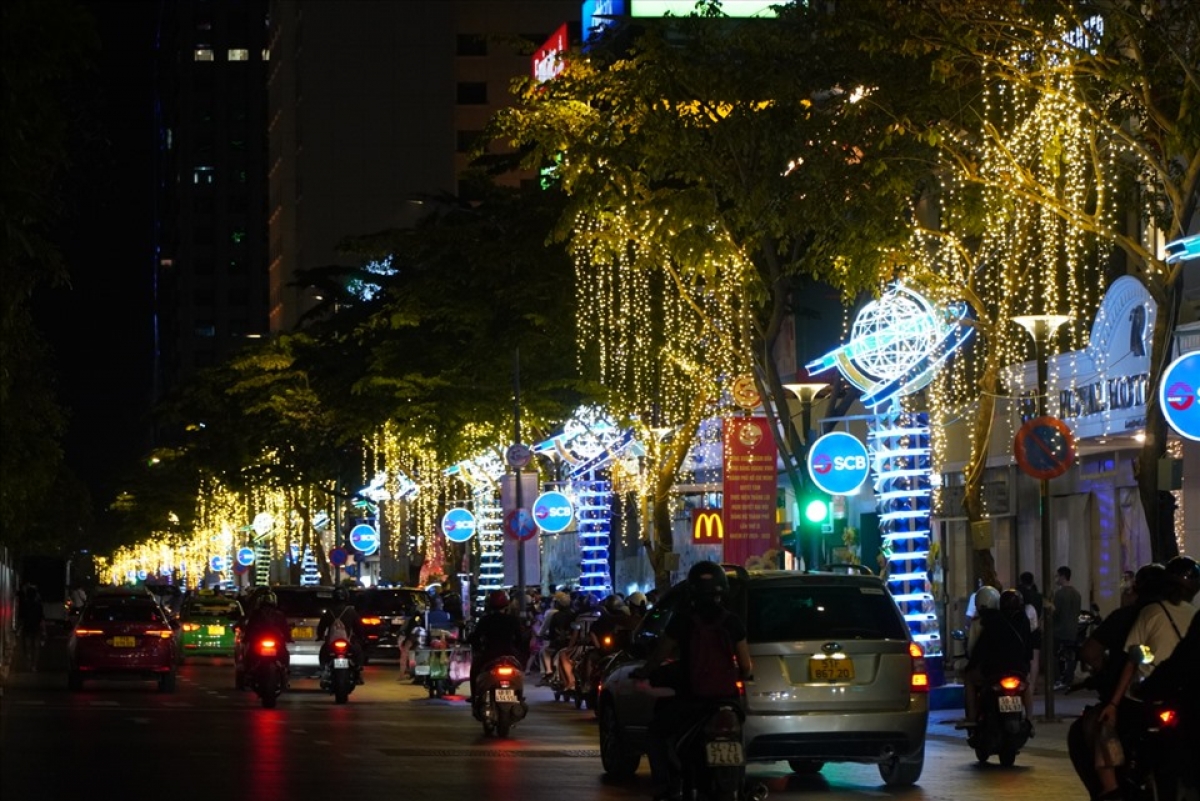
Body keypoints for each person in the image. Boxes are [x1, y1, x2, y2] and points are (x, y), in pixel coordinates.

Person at [634, 561, 753, 801]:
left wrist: (645, 672)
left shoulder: (682, 621)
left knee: (657, 734)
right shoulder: (732, 622)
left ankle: (670, 785)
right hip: (727, 701)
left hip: (692, 699)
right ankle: (742, 786)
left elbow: (660, 655)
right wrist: (744, 675)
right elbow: (746, 665)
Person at [1093, 557, 1198, 801]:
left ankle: (1112, 791)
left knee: (1109, 731)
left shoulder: (1150, 613)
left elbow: (1136, 657)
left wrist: (1114, 703)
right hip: (1186, 699)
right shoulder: (1195, 616)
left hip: (1155, 693)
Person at [1070, 563, 1166, 799]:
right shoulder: (1181, 617)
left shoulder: (1133, 617)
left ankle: (1110, 790)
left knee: (1098, 727)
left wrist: (1109, 681)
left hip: (1133, 699)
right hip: (1172, 695)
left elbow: (1094, 654)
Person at [963, 586, 1031, 724]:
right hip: (1019, 668)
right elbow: (1028, 649)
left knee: (969, 679)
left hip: (995, 669)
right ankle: (1030, 719)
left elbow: (979, 650)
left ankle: (971, 718)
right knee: (1026, 685)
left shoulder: (991, 622)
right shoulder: (1023, 621)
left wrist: (970, 666)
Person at [468, 589, 527, 701]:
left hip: (489, 654)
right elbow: (520, 639)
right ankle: (519, 694)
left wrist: (475, 644)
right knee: (520, 670)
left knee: (474, 669)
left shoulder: (485, 620)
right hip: (510, 653)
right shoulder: (513, 620)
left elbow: (475, 637)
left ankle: (474, 696)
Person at [317, 586, 366, 682]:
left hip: (332, 642)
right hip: (348, 641)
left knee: (323, 652)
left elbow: (321, 627)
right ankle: (358, 672)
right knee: (358, 651)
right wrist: (362, 637)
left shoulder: (329, 612)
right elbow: (359, 627)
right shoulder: (351, 611)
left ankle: (323, 669)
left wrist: (320, 636)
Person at [241, 590, 292, 682]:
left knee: (250, 654)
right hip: (263, 641)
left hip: (269, 641)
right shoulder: (278, 614)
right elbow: (285, 629)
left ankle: (248, 672)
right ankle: (285, 671)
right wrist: (288, 638)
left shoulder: (256, 614)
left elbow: (249, 629)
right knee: (284, 654)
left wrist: (246, 639)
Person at [1050, 565, 1083, 689]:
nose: (1056, 579)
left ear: (1062, 576)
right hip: (1073, 630)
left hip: (1059, 631)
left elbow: (1055, 612)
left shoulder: (1059, 594)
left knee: (1053, 655)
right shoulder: (1077, 594)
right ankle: (1068, 679)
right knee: (1071, 656)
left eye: (1057, 576)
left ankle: (1057, 679)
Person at [16, 582, 45, 672]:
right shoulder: (38, 605)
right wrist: (44, 631)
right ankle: (34, 665)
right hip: (36, 628)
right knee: (36, 647)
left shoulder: (24, 604)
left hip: (27, 628)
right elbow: (41, 619)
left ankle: (28, 662)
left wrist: (18, 629)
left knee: (27, 646)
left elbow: (21, 617)